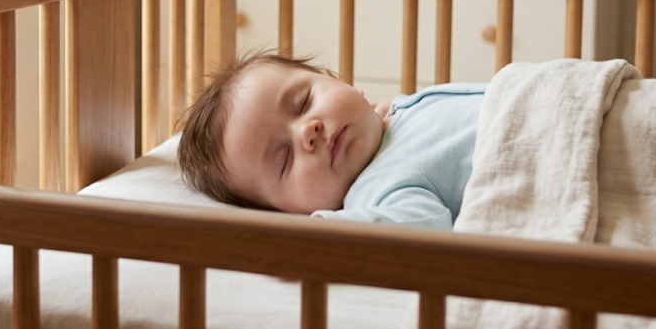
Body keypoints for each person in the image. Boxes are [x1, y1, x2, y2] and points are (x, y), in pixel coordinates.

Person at [177, 52, 486, 230]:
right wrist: (322, 234)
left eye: (303, 103)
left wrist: (380, 116)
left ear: (334, 79)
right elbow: (424, 226)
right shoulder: (376, 191)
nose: (306, 132)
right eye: (284, 160)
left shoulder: (393, 115)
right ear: (289, 211)